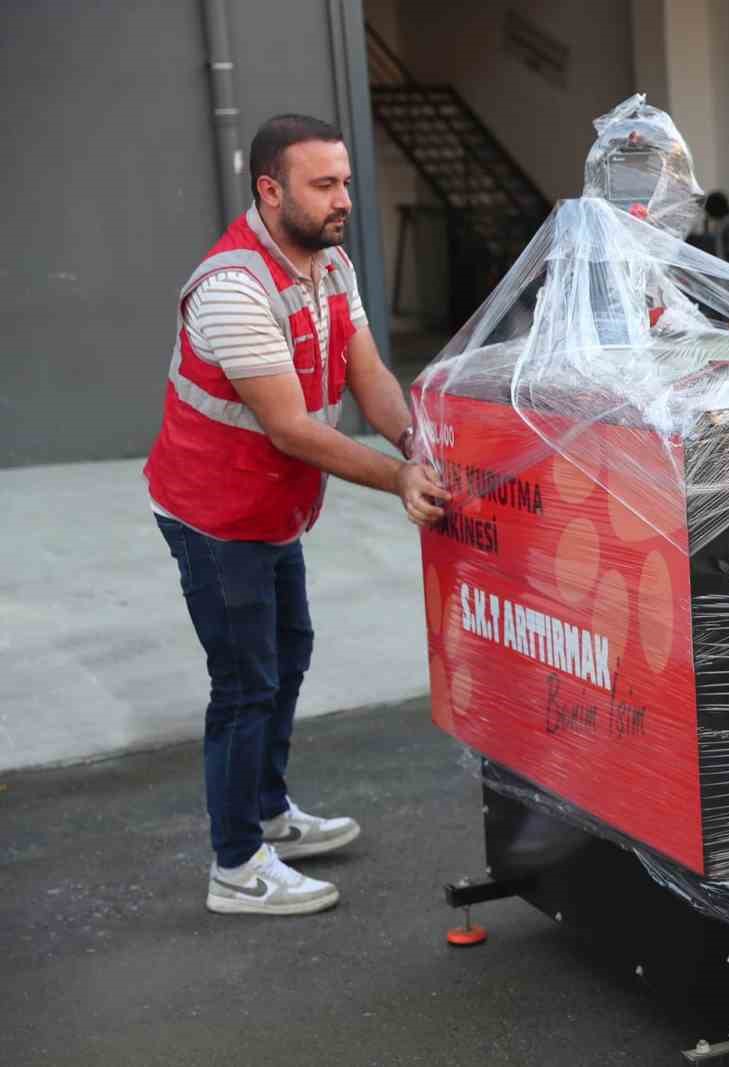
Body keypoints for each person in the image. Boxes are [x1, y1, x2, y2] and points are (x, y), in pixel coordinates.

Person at [145, 114, 448, 916]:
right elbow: (291, 427)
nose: (343, 198)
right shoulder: (232, 289)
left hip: (273, 511)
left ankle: (269, 814)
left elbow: (369, 370)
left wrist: (419, 439)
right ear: (270, 190)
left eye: (345, 181)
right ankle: (236, 867)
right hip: (215, 516)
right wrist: (399, 478)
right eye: (324, 185)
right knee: (245, 683)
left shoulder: (329, 263)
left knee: (288, 650)